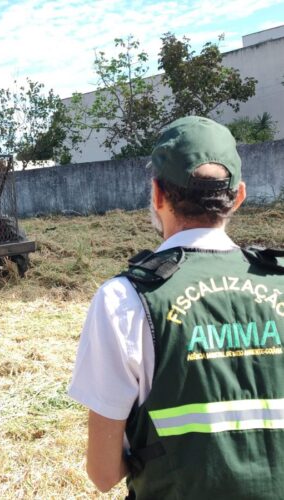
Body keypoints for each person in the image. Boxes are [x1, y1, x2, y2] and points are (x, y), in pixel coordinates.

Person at [68, 116, 284, 499]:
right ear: (238, 197)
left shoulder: (125, 299)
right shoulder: (278, 279)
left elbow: (103, 473)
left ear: (156, 195)